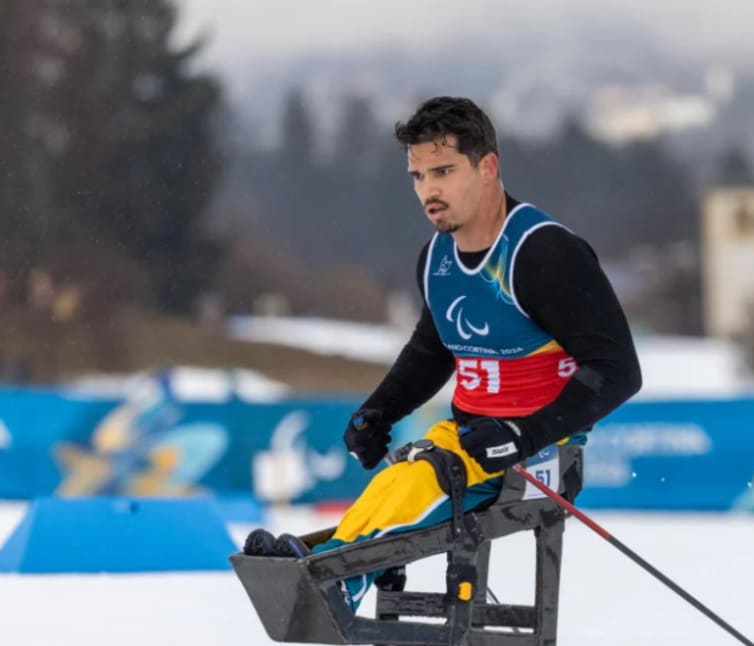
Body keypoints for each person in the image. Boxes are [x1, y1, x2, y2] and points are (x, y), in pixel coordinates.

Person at [244, 96, 642, 610]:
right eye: (418, 176)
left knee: (427, 477)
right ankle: (323, 561)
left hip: (541, 453)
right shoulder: (436, 259)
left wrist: (524, 435)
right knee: (399, 478)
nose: (428, 190)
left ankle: (337, 575)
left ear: (487, 167)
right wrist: (379, 412)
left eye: (444, 171)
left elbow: (618, 370)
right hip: (467, 439)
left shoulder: (544, 253)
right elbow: (432, 350)